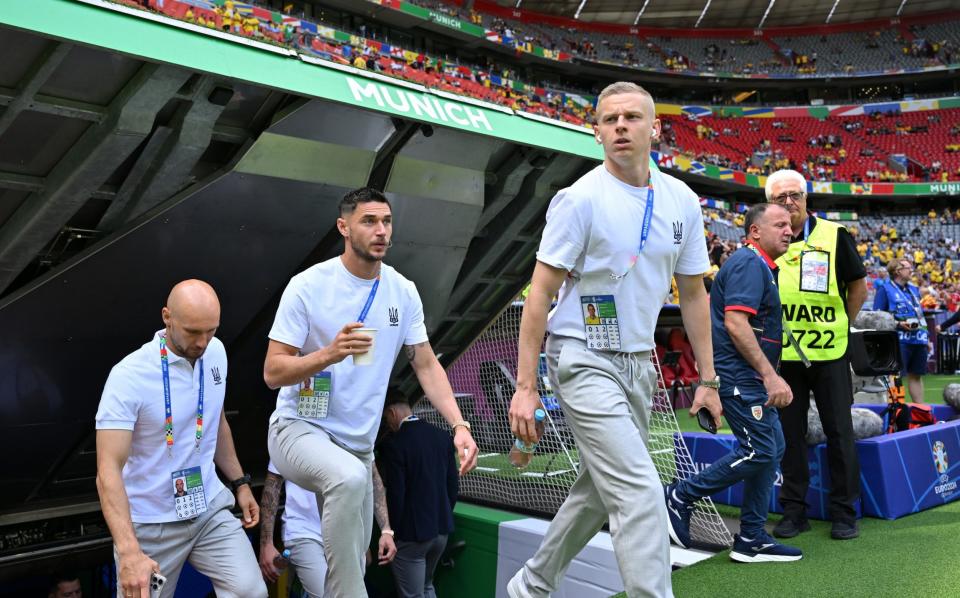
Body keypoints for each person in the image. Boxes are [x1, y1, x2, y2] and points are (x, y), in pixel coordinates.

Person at [507, 81, 720, 598]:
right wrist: (525, 386)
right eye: (609, 119)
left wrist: (708, 379)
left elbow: (693, 295)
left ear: (655, 128)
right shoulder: (578, 200)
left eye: (631, 117)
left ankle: (530, 586)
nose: (620, 127)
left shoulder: (682, 201)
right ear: (597, 130)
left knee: (600, 491)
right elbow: (540, 295)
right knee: (640, 488)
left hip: (637, 364)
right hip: (580, 357)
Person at [263, 187, 478, 596]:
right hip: (297, 431)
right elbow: (273, 372)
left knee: (354, 550)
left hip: (358, 450)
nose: (381, 231)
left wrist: (459, 425)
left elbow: (426, 363)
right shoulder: (308, 286)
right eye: (369, 221)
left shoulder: (402, 290)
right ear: (344, 227)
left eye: (387, 221)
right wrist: (328, 354)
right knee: (346, 481)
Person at [95, 280, 266, 598]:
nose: (203, 342)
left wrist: (240, 482)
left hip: (207, 509)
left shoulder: (216, 353)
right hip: (151, 524)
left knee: (250, 591)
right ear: (166, 317)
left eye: (211, 330)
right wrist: (130, 551)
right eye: (192, 331)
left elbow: (215, 420)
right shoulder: (129, 376)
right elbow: (107, 470)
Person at [665, 203, 802, 562]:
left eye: (790, 225)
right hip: (741, 378)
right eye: (780, 225)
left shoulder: (761, 267)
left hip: (749, 377)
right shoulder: (747, 263)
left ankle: (752, 538)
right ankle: (682, 495)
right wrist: (771, 375)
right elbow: (736, 324)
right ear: (755, 231)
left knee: (773, 448)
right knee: (759, 450)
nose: (789, 230)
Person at [767, 169, 867, 541]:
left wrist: (841, 324)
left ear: (806, 199)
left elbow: (858, 288)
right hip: (786, 359)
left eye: (795, 195)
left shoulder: (834, 235)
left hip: (830, 352)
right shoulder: (765, 241)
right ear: (770, 204)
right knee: (790, 436)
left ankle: (844, 512)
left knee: (840, 432)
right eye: (781, 198)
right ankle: (794, 511)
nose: (789, 202)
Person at [258, 463, 397, 596]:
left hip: (344, 532)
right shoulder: (288, 438)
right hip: (304, 531)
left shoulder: (355, 437)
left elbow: (372, 476)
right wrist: (266, 544)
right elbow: (273, 484)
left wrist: (384, 531)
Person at [378, 389, 459, 598]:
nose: (387, 424)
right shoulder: (442, 436)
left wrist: (390, 531)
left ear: (392, 413)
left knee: (412, 594)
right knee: (427, 586)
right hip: (441, 530)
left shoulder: (394, 445)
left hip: (411, 535)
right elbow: (452, 486)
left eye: (386, 418)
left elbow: (397, 494)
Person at [873, 259, 929, 402]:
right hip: (898, 340)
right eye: (908, 268)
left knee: (916, 375)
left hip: (918, 339)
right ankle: (897, 414)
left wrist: (926, 336)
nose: (911, 271)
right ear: (897, 271)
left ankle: (921, 411)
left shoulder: (914, 289)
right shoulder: (885, 289)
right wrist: (898, 323)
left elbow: (919, 314)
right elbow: (877, 316)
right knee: (895, 376)